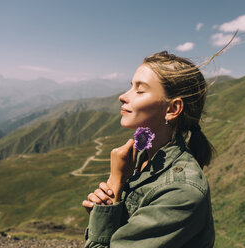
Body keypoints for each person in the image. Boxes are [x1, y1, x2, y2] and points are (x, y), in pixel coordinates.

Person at [82, 51, 215, 247]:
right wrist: (107, 210)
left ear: (172, 109)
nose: (122, 97)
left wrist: (115, 180)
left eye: (140, 90)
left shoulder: (181, 192)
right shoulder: (143, 160)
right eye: (130, 87)